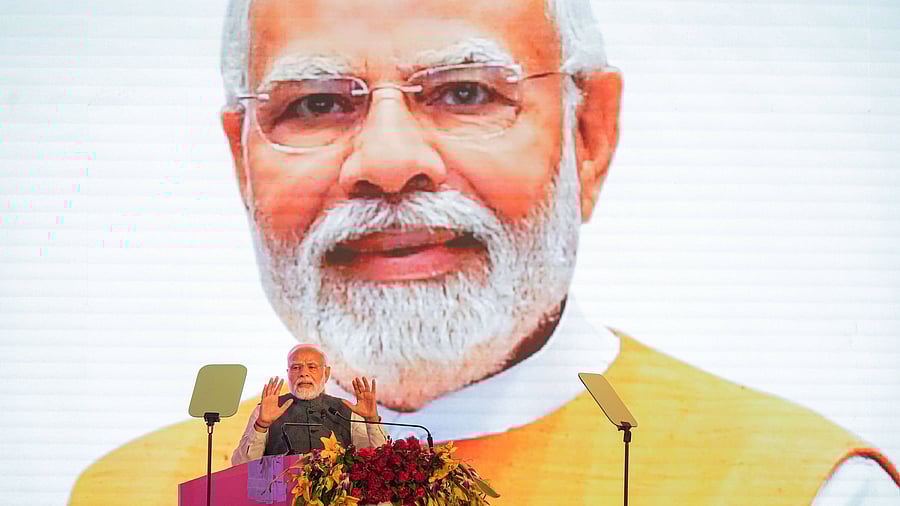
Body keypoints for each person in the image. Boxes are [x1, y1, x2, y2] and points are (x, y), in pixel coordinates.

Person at [69, 0, 899, 504]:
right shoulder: (131, 497)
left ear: (589, 135)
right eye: (316, 104)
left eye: (465, 93)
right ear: (241, 162)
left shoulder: (799, 492)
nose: (390, 163)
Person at [231, 344, 386, 465]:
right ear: (288, 373)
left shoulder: (347, 410)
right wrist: (262, 425)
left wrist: (372, 420)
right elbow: (241, 464)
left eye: (311, 367)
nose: (303, 373)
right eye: (296, 367)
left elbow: (379, 459)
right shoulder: (266, 410)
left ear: (326, 373)